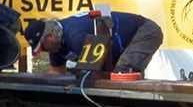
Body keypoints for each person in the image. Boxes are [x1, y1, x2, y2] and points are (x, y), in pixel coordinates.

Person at [26, 11, 162, 77]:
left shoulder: (76, 35)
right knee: (117, 72)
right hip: (119, 44)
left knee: (122, 73)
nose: (44, 51)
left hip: (144, 31)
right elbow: (56, 73)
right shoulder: (56, 46)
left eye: (43, 46)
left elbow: (95, 73)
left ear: (50, 36)